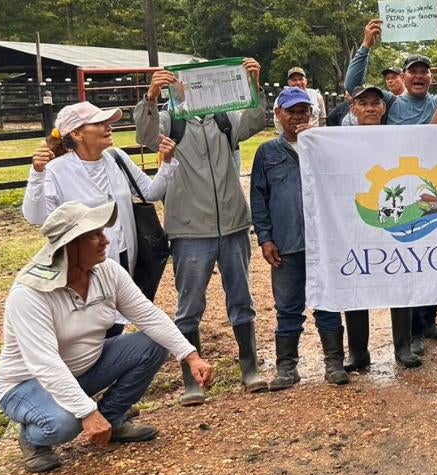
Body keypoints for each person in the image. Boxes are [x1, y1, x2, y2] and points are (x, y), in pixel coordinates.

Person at [0, 202, 214, 473]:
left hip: (84, 369)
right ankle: (33, 439)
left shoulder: (107, 271)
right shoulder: (30, 293)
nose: (105, 240)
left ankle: (112, 419)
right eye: (94, 235)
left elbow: (147, 314)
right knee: (67, 422)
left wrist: (190, 355)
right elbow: (45, 364)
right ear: (69, 244)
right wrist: (86, 412)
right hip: (28, 384)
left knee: (153, 343)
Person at [134, 58, 269, 404]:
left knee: (242, 300)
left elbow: (255, 121)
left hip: (233, 224)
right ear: (175, 85)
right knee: (189, 305)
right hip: (190, 230)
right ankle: (191, 379)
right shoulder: (169, 120)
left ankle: (249, 368)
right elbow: (145, 135)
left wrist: (253, 85)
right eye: (185, 82)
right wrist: (150, 97)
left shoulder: (226, 117)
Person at [346, 19, 437, 364]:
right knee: (405, 259)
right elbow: (353, 86)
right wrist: (366, 45)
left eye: (424, 71)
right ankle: (412, 334)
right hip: (395, 191)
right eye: (413, 71)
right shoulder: (390, 101)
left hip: (431, 191)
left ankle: (427, 323)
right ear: (402, 77)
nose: (419, 76)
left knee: (433, 256)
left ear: (430, 78)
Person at [24, 101, 178, 308]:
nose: (109, 127)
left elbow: (150, 193)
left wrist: (167, 163)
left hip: (125, 253)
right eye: (99, 123)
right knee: (98, 319)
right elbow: (36, 217)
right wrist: (37, 174)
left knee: (120, 316)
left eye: (107, 122)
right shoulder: (55, 170)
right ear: (77, 134)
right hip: (87, 263)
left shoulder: (117, 159)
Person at [250, 87, 351, 389]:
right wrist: (265, 238)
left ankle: (334, 363)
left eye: (303, 111)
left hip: (323, 243)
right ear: (278, 114)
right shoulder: (267, 153)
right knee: (288, 307)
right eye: (291, 111)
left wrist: (316, 142)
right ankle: (286, 367)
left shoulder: (324, 146)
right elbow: (258, 197)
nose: (298, 117)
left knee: (329, 302)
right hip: (286, 243)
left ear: (312, 113)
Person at [338, 85, 389, 372]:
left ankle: (403, 346)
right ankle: (358, 352)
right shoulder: (339, 141)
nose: (370, 108)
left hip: (393, 217)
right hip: (355, 220)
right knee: (355, 280)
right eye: (363, 104)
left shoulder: (400, 138)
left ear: (383, 109)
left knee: (402, 278)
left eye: (375, 103)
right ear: (353, 109)